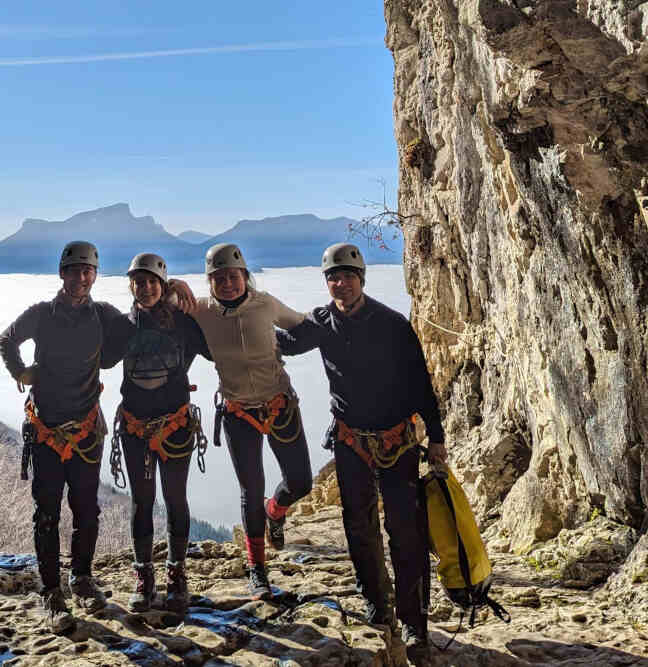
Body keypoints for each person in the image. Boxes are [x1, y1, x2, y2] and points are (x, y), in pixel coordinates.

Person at [276, 242, 447, 665]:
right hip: (352, 440)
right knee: (359, 527)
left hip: (397, 440)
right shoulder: (320, 321)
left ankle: (414, 621)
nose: (340, 283)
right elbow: (285, 343)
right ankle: (377, 602)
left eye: (348, 276)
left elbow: (420, 382)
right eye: (333, 277)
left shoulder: (391, 324)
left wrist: (438, 438)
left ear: (361, 279)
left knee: (406, 533)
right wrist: (238, 317)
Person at [0, 240, 123, 633]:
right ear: (62, 274)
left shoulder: (103, 315)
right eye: (74, 271)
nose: (81, 278)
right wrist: (20, 372)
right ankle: (52, 592)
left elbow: (137, 328)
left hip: (86, 431)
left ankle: (81, 579)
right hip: (48, 431)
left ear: (95, 276)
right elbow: (6, 340)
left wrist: (175, 294)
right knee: (47, 513)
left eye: (88, 271)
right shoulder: (41, 315)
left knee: (87, 510)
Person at [189, 242, 313, 600]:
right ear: (209, 282)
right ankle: (257, 570)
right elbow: (164, 301)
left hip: (279, 404)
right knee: (250, 489)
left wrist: (280, 345)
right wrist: (176, 288)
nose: (227, 283)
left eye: (233, 276)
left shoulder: (265, 303)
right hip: (238, 412)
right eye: (219, 278)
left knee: (301, 481)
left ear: (245, 277)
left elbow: (302, 328)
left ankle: (276, 511)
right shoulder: (201, 310)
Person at [102, 252, 211, 614]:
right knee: (142, 501)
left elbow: (216, 347)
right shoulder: (123, 325)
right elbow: (100, 359)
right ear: (130, 286)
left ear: (162, 286)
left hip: (175, 426)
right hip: (136, 428)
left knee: (176, 499)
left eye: (153, 282)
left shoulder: (183, 323)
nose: (145, 288)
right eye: (139, 281)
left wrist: (189, 298)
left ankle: (177, 575)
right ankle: (143, 575)